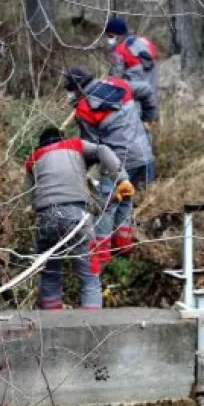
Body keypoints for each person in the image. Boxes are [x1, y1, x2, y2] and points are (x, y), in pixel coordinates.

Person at [24, 126, 133, 309]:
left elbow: (31, 198)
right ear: (62, 138)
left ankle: (52, 328)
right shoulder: (74, 145)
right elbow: (103, 150)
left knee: (50, 275)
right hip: (77, 216)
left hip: (45, 219)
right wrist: (122, 179)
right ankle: (92, 327)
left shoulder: (33, 160)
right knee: (89, 276)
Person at [63, 66, 156, 261]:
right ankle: (124, 247)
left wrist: (82, 170)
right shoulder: (119, 84)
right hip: (144, 155)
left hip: (117, 162)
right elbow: (147, 89)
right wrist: (149, 118)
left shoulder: (84, 109)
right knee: (127, 196)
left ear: (77, 88)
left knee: (106, 205)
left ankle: (101, 255)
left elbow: (94, 148)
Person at [105, 15, 160, 186]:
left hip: (132, 101)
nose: (108, 39)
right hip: (151, 100)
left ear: (116, 34)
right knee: (147, 137)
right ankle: (148, 182)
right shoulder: (145, 43)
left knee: (132, 137)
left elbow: (116, 80)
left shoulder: (119, 51)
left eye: (109, 35)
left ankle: (130, 179)